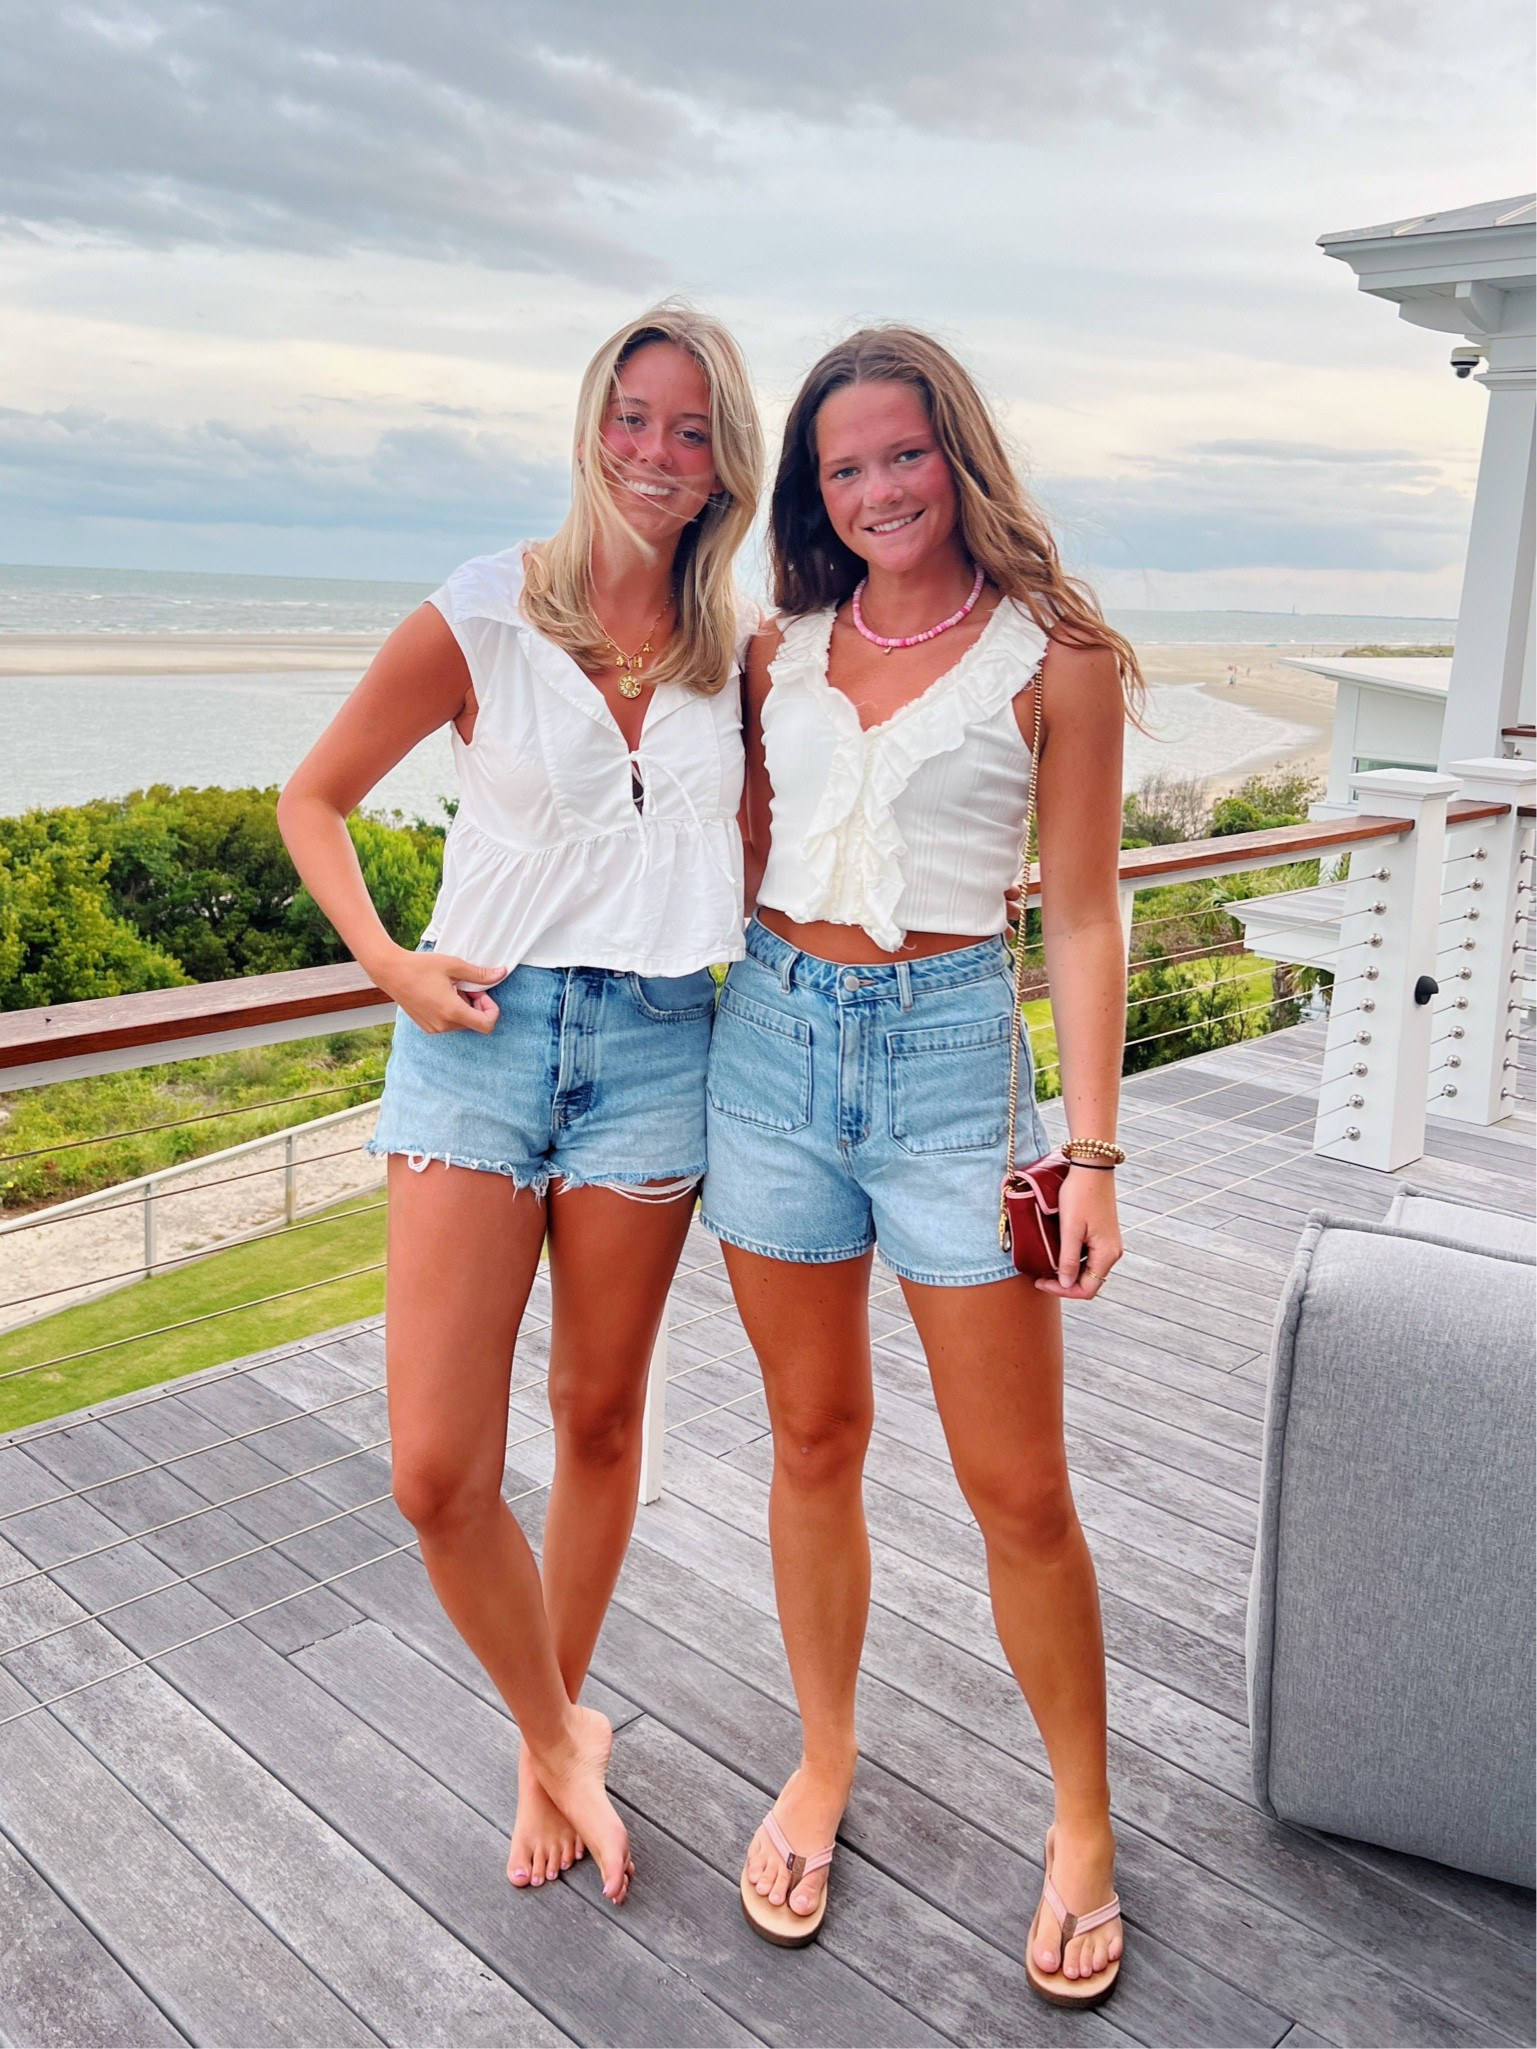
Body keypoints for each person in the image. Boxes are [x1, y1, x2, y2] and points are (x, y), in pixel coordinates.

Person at [278, 305, 762, 1907]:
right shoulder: (486, 608)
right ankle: (563, 1731)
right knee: (435, 1469)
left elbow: (779, 845)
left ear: (725, 463)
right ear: (588, 425)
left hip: (660, 1046)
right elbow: (313, 796)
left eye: (689, 430)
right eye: (631, 417)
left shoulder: (735, 651)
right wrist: (387, 963)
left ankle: (543, 1738)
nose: (655, 454)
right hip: (479, 1041)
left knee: (598, 1419)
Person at [702, 328, 1137, 2006]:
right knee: (812, 1438)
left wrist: (1087, 1150)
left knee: (1015, 1485)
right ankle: (822, 1760)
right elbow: (729, 850)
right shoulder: (775, 652)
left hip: (955, 1061)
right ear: (811, 493)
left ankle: (1081, 1819)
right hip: (770, 1051)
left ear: (955, 453)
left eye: (902, 452)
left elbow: (1081, 912)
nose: (877, 488)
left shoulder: (1056, 656)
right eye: (843, 467)